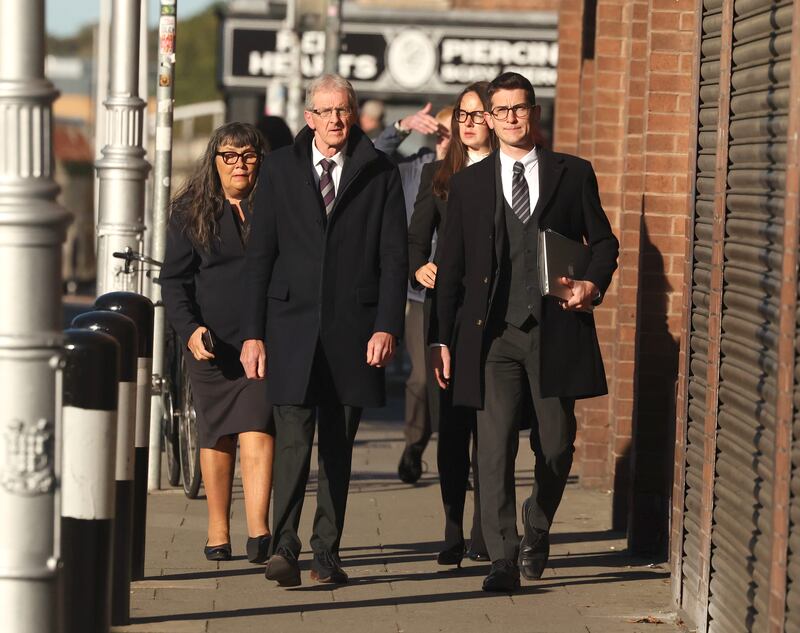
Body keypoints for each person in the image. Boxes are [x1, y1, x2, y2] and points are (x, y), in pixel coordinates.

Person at [430, 72, 619, 592]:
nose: (512, 117)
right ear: (488, 119)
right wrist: (440, 340)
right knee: (492, 451)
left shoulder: (573, 174)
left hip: (555, 330)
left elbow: (604, 243)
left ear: (534, 113)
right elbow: (450, 268)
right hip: (492, 337)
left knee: (557, 445)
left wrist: (590, 286)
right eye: (502, 110)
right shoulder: (469, 184)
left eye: (521, 107)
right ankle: (503, 559)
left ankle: (537, 523)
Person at [240, 74, 408, 587]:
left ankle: (326, 552)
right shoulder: (281, 170)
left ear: (352, 114)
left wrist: (386, 326)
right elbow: (260, 255)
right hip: (289, 328)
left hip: (353, 330)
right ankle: (284, 547)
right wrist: (252, 333)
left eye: (344, 110)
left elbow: (394, 257)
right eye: (326, 111)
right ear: (309, 117)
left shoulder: (377, 170)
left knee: (337, 444)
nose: (336, 120)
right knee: (292, 440)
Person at [161, 122, 275, 565]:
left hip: (261, 339)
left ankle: (259, 530)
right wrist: (189, 330)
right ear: (214, 161)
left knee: (257, 426)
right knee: (216, 433)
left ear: (259, 161)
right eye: (229, 155)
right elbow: (174, 281)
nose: (239, 164)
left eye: (248, 155)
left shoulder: (274, 206)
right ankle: (217, 529)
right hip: (210, 341)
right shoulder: (189, 211)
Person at [409, 82, 497, 566]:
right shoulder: (438, 176)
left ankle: (486, 530)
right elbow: (414, 238)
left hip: (497, 314)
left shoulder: (512, 174)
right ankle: (451, 529)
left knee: (493, 425)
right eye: (462, 115)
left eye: (477, 114)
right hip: (450, 315)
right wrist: (418, 265)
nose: (467, 122)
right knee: (454, 427)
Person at [372, 103, 452, 484]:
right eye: (444, 131)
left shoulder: (480, 171)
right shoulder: (414, 167)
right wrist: (401, 126)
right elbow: (371, 157)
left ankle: (460, 456)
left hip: (466, 293)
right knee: (422, 378)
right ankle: (414, 445)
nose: (450, 139)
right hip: (422, 292)